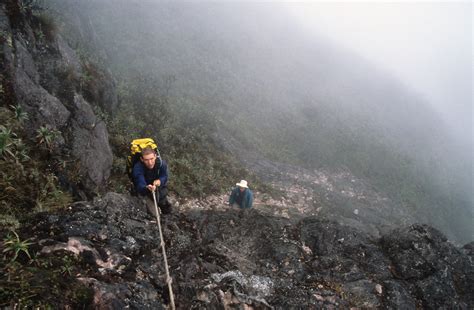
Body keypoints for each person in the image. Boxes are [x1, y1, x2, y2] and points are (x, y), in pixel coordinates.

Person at [132, 146, 172, 216]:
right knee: (154, 214)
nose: (150, 162)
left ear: (155, 156)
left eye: (151, 159)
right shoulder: (138, 168)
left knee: (165, 204)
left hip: (157, 187)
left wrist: (160, 181)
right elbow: (139, 182)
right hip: (145, 190)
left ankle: (166, 213)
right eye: (146, 160)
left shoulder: (161, 164)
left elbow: (164, 176)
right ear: (142, 159)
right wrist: (146, 187)